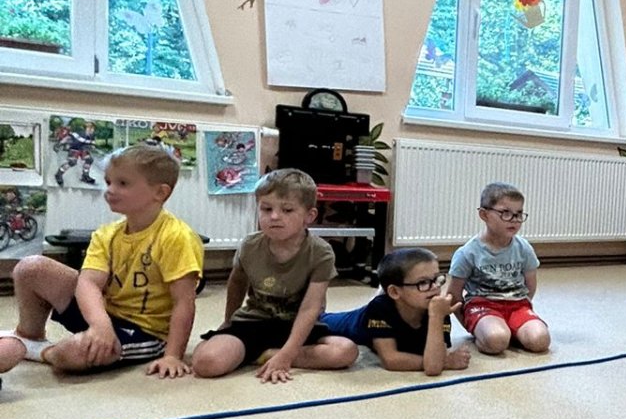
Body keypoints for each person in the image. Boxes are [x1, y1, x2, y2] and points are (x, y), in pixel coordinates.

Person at [3, 143, 203, 376]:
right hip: (101, 315)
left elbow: (184, 302)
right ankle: (28, 336)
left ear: (160, 193)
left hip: (144, 332)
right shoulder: (106, 234)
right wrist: (101, 325)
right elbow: (88, 283)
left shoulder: (177, 237)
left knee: (73, 353)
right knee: (30, 267)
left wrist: (172, 356)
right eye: (108, 182)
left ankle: (36, 351)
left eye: (123, 183)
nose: (110, 190)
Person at [191, 168, 358, 383]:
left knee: (345, 351)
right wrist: (228, 322)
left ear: (309, 216)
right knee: (206, 362)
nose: (275, 217)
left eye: (287, 210)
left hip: (298, 327)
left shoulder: (321, 252)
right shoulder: (249, 245)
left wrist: (287, 355)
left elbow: (310, 307)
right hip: (254, 322)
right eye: (266, 209)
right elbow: (237, 283)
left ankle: (267, 355)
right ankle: (261, 352)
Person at [326, 247, 471, 375]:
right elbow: (391, 360)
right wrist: (445, 362)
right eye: (423, 283)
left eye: (437, 279)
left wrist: (436, 317)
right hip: (330, 324)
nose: (435, 287)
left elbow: (434, 362)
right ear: (395, 292)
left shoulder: (438, 308)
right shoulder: (380, 308)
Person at [445, 183, 550, 355]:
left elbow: (530, 285)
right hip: (483, 306)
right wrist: (470, 325)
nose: (514, 219)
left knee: (540, 340)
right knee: (496, 340)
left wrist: (524, 307)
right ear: (484, 214)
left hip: (517, 306)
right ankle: (498, 330)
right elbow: (454, 295)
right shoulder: (467, 253)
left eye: (519, 214)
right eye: (505, 213)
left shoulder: (524, 248)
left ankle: (510, 328)